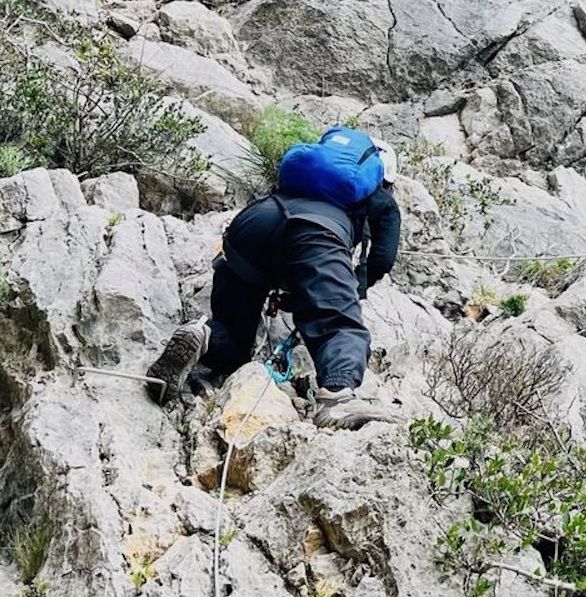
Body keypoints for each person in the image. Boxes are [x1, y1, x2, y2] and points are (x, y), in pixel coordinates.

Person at [147, 126, 402, 428]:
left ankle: (201, 336)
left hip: (254, 224)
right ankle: (337, 398)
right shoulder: (379, 197)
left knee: (234, 340)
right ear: (384, 177)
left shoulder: (307, 174)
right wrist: (344, 291)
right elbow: (381, 259)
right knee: (341, 327)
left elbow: (284, 238)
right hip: (317, 233)